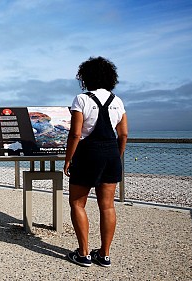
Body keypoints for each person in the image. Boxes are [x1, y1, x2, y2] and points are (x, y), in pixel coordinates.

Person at [63, 56, 128, 267]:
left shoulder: (82, 100)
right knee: (107, 206)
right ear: (110, 77)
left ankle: (83, 254)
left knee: (77, 203)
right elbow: (124, 134)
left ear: (85, 77)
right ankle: (104, 254)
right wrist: (116, 156)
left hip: (87, 155)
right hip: (110, 155)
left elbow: (75, 134)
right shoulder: (117, 101)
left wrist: (68, 159)